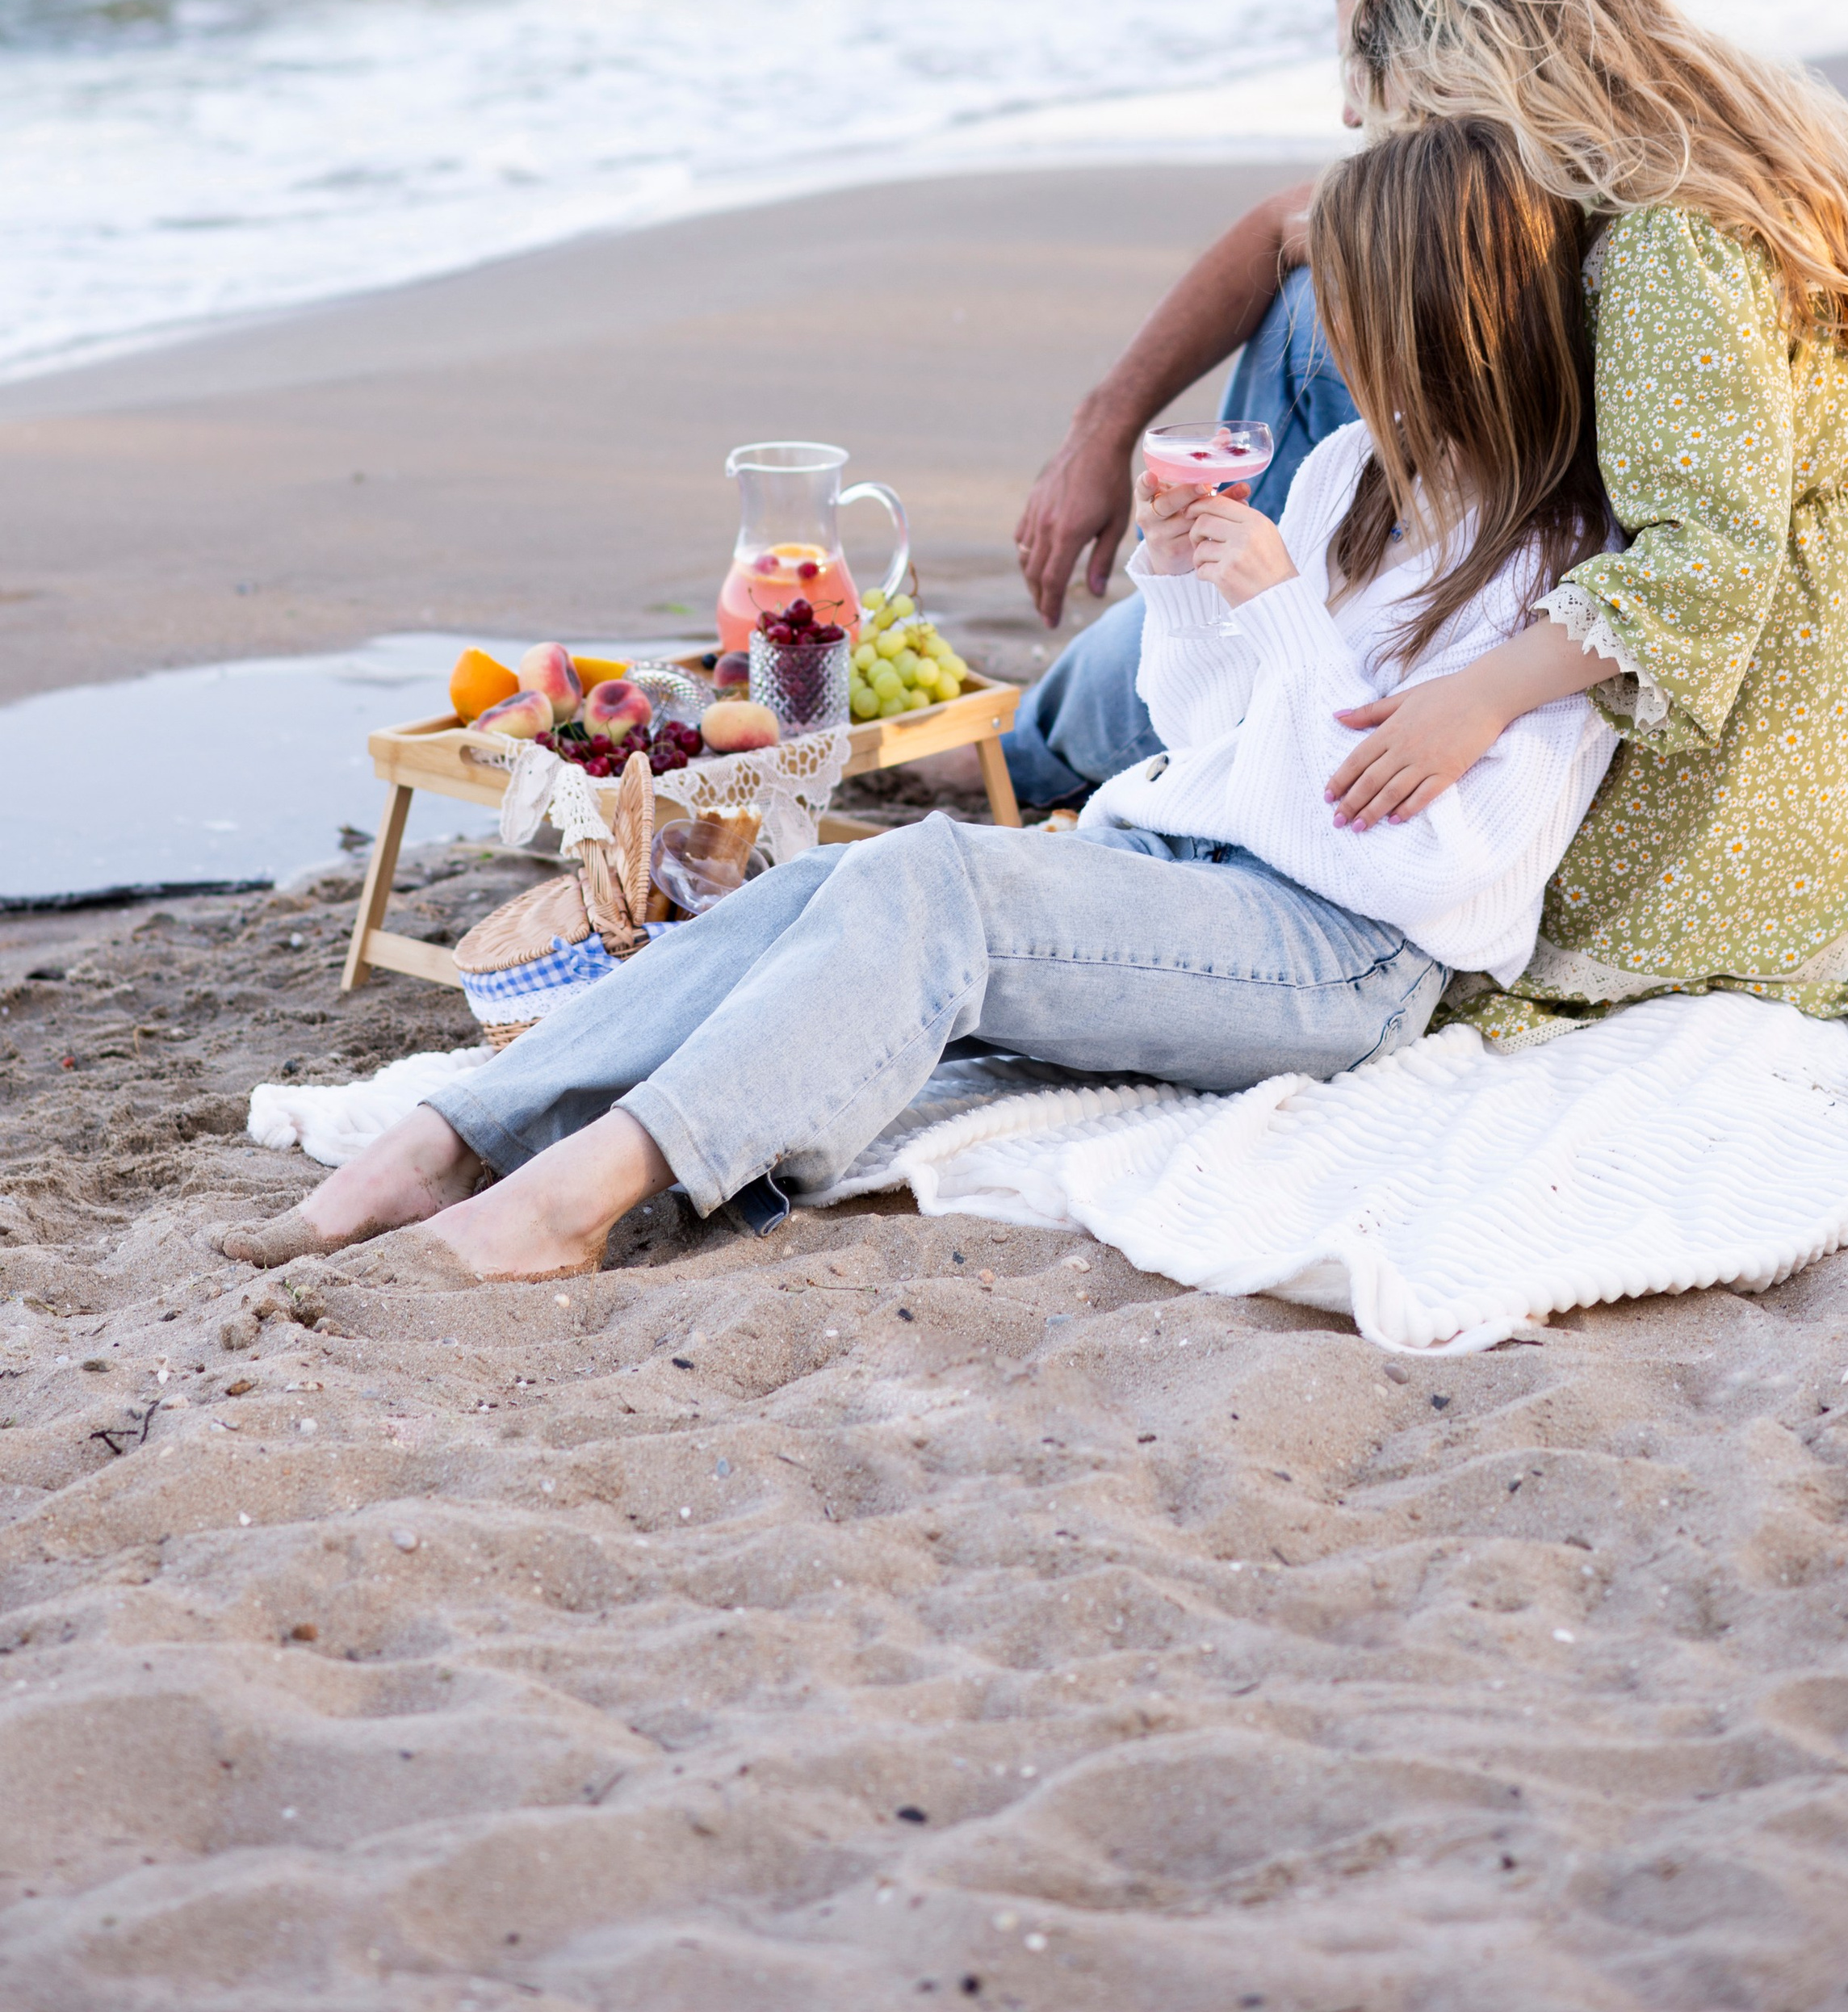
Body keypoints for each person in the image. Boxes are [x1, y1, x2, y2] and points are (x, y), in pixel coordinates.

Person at [224, 118, 1620, 1284]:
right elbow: (1209, 733)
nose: (1331, 350)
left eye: (1354, 320)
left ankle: (570, 1203)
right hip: (1195, 867)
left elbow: (1432, 868)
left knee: (940, 891)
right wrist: (1185, 577)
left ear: (1446, 326)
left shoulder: (1555, 569)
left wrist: (1280, 615)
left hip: (1347, 955)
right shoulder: (1348, 485)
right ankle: (447, 1140)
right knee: (840, 887)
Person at [1315, 0, 1848, 1045]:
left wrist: (1482, 695)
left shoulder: (1669, 239)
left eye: (1416, 131)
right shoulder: (1791, 164)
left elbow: (1709, 561)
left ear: (1489, 93)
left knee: (1453, 892)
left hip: (1758, 797)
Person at [1001, 0, 1564, 813]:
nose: (1348, 111)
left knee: (1323, 306)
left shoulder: (1578, 213)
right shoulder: (1483, 165)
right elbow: (1281, 221)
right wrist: (1101, 427)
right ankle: (1159, 634)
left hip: (1419, 663)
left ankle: (1026, 756)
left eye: (1360, 61)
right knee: (1318, 284)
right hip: (1353, 577)